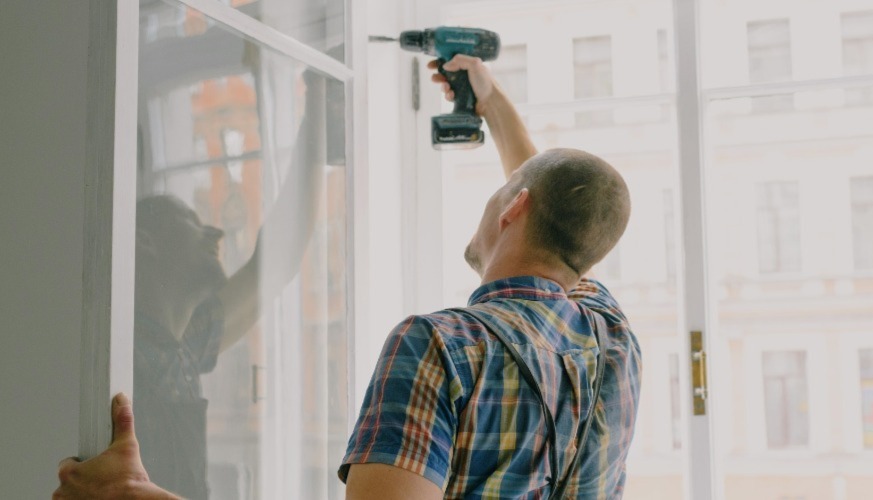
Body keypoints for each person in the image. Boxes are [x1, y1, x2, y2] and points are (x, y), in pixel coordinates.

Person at [54, 54, 641, 499]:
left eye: (504, 200)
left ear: (512, 210)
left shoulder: (442, 348)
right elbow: (566, 225)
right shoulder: (613, 339)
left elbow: (553, 208)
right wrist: (490, 104)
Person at [54, 65, 328, 500]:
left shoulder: (181, 346)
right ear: (145, 242)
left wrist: (317, 118)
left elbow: (274, 263)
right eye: (193, 222)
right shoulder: (118, 360)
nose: (216, 233)